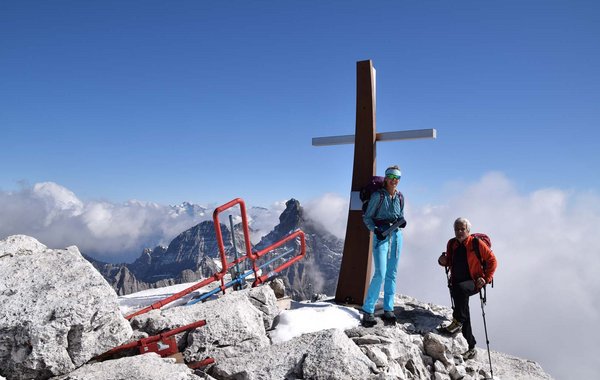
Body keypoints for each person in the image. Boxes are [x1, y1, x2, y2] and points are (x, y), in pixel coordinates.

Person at [438, 217, 497, 360]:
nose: (459, 232)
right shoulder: (452, 243)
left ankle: (458, 321)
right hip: (457, 283)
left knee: (461, 310)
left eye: (462, 229)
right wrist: (442, 261)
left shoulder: (476, 243)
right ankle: (471, 347)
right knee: (464, 311)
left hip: (474, 282)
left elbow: (492, 261)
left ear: (468, 230)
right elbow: (450, 261)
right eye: (457, 229)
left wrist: (486, 278)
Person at [361, 165, 407, 327]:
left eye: (398, 178)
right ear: (386, 178)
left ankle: (389, 308)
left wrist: (402, 221)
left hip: (396, 236)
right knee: (380, 272)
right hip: (381, 235)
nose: (395, 181)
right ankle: (368, 310)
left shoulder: (400, 197)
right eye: (392, 177)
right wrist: (375, 230)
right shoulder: (378, 196)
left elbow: (400, 215)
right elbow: (367, 218)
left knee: (392, 273)